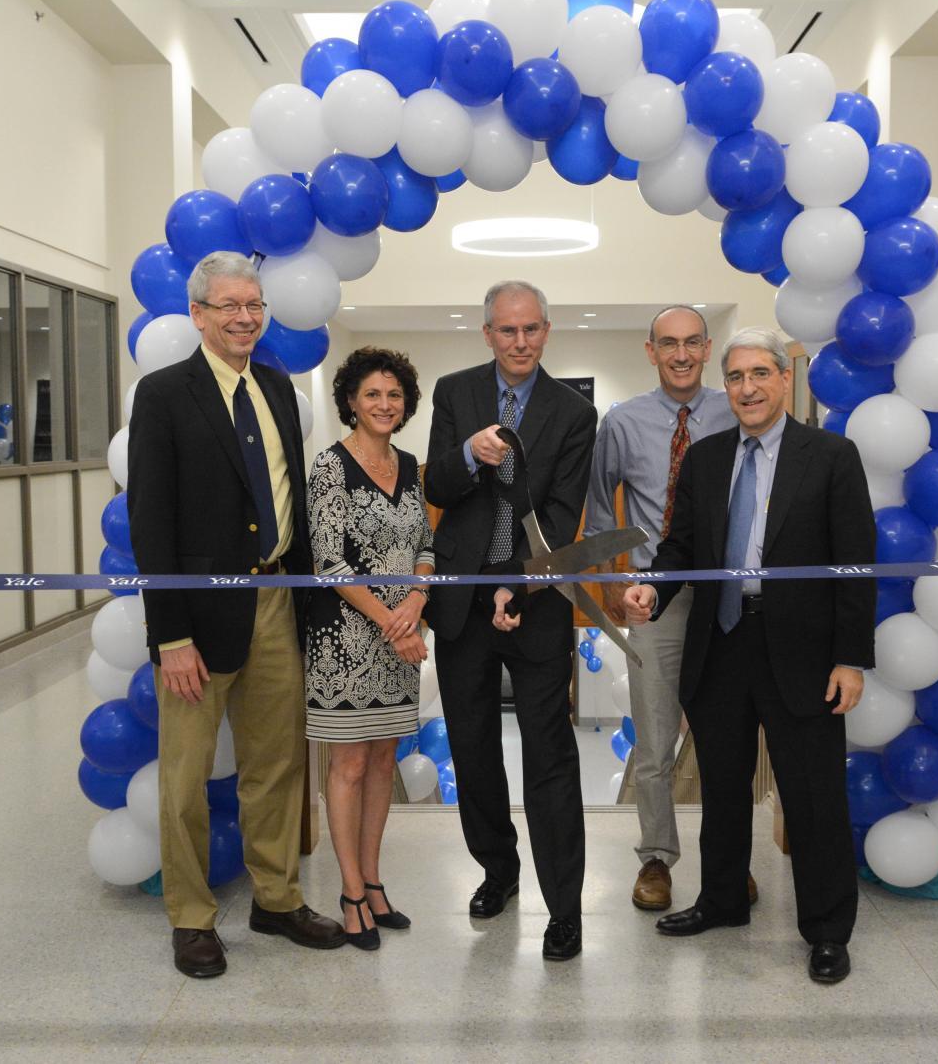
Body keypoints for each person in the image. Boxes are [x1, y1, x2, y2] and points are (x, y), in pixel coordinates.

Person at [622, 327, 876, 985]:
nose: (748, 388)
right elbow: (680, 546)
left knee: (812, 793)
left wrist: (850, 658)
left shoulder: (830, 456)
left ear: (784, 380)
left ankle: (826, 929)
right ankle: (723, 898)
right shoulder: (704, 459)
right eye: (736, 377)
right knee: (724, 788)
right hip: (722, 642)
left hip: (804, 650)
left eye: (761, 373)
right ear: (724, 384)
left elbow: (856, 566)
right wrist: (652, 585)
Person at [128, 251, 345, 979]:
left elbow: (293, 501)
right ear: (198, 314)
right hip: (197, 614)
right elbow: (151, 521)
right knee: (185, 774)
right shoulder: (163, 395)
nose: (246, 317)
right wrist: (171, 635)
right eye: (230, 306)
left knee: (277, 762)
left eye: (254, 305)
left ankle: (277, 897)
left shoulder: (279, 388)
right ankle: (191, 915)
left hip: (278, 598)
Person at [423, 280, 598, 962]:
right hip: (463, 603)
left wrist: (517, 588)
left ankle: (565, 906)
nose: (519, 342)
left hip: (536, 601)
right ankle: (498, 868)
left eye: (531, 330)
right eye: (507, 330)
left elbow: (560, 514)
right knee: (472, 747)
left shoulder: (573, 412)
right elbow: (436, 485)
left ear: (546, 331)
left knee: (550, 756)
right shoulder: (454, 391)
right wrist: (469, 455)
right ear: (488, 333)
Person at [583, 304, 735, 913]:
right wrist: (612, 585)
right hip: (653, 593)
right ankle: (656, 858)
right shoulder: (622, 422)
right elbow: (599, 508)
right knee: (654, 738)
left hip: (726, 593)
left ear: (706, 349)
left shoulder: (738, 409)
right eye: (668, 344)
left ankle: (727, 860)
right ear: (650, 351)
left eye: (692, 343)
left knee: (726, 737)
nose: (680, 354)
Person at [304, 347, 433, 951]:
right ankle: (351, 892)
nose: (384, 405)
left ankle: (376, 882)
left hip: (401, 639)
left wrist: (417, 603)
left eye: (394, 395)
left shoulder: (410, 465)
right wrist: (394, 621)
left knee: (384, 760)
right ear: (351, 402)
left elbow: (425, 547)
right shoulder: (329, 468)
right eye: (372, 395)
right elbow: (331, 564)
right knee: (349, 765)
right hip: (346, 641)